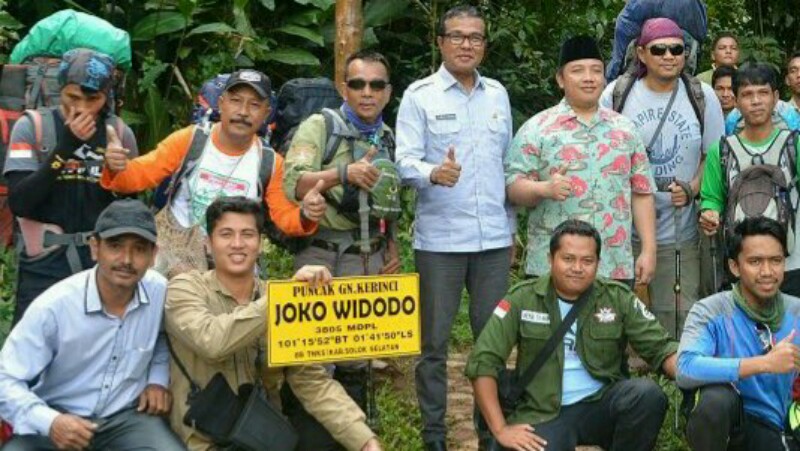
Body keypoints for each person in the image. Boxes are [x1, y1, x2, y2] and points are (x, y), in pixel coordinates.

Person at [164, 196, 381, 451]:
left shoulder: (275, 296)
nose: (237, 244)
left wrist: (365, 440)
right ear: (208, 245)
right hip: (205, 438)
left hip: (264, 434)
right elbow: (212, 341)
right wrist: (282, 299)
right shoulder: (185, 289)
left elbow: (310, 380)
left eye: (247, 234)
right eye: (225, 234)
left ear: (260, 244)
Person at [394, 5, 515, 449]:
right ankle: (434, 436)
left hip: (494, 242)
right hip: (441, 241)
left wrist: (512, 227)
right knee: (434, 345)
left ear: (484, 45)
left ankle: (490, 433)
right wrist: (432, 173)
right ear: (441, 41)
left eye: (475, 37)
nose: (467, 44)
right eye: (458, 36)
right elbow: (403, 160)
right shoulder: (419, 95)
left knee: (494, 342)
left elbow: (507, 164)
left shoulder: (498, 94)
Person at [465, 219, 678, 451]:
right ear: (550, 259)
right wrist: (500, 429)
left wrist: (702, 372)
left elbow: (662, 349)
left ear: (598, 263)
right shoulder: (522, 298)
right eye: (568, 259)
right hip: (543, 411)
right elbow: (482, 362)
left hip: (599, 404)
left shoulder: (617, 297)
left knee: (647, 395)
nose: (577, 268)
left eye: (587, 261)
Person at [281, 49, 399, 448]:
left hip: (370, 253)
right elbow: (293, 182)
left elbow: (388, 196)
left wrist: (393, 244)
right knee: (310, 357)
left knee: (358, 358)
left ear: (387, 92)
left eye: (376, 85)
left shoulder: (385, 135)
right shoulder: (320, 126)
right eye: (358, 84)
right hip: (322, 253)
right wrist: (341, 174)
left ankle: (357, 439)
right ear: (342, 88)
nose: (367, 92)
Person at [101, 69, 325, 278]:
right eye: (236, 101)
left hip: (233, 266)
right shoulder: (190, 140)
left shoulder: (270, 162)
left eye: (254, 104)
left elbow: (284, 217)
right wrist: (115, 167)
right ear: (222, 103)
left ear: (266, 113)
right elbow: (137, 177)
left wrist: (306, 214)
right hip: (176, 262)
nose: (243, 112)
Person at [0, 199, 185, 450]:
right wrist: (50, 421)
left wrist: (157, 380)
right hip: (58, 416)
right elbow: (5, 378)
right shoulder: (56, 306)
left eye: (139, 249)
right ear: (95, 248)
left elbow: (163, 337)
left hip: (126, 417)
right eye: (115, 246)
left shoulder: (159, 292)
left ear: (153, 255)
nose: (126, 259)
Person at [600, 17, 725, 336]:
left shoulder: (702, 95)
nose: (669, 56)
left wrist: (693, 187)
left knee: (680, 314)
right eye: (659, 50)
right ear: (641, 54)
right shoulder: (617, 93)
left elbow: (712, 155)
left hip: (680, 228)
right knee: (620, 314)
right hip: (623, 229)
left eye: (676, 49)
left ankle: (676, 381)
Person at [505, 35, 656, 286]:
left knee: (611, 326)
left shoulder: (625, 129)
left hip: (613, 264)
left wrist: (649, 250)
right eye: (578, 71)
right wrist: (545, 188)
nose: (589, 77)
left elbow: (641, 193)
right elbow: (512, 188)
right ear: (560, 79)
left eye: (596, 70)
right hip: (551, 267)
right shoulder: (537, 129)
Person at [2, 48, 138, 325]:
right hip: (44, 263)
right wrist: (64, 148)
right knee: (34, 356)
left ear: (106, 97)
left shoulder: (120, 134)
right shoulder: (32, 127)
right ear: (60, 88)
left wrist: (117, 174)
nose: (82, 109)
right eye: (73, 97)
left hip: (101, 264)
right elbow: (20, 202)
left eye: (93, 99)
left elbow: (130, 209)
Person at [678, 216, 800, 450]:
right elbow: (685, 367)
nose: (767, 271)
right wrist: (764, 363)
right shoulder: (711, 310)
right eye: (755, 261)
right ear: (735, 267)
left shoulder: (796, 311)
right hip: (735, 424)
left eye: (776, 260)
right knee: (714, 400)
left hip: (780, 423)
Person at [700, 62, 800, 297]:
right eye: (747, 94)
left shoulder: (795, 145)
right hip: (740, 264)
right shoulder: (721, 150)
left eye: (763, 93)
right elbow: (711, 199)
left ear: (775, 98)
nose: (756, 101)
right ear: (735, 101)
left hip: (792, 263)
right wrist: (709, 214)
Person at [606, 0, 708, 82]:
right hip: (684, 70)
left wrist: (612, 78)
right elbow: (700, 38)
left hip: (643, 76)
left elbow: (623, 41)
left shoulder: (639, 5)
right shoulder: (696, 4)